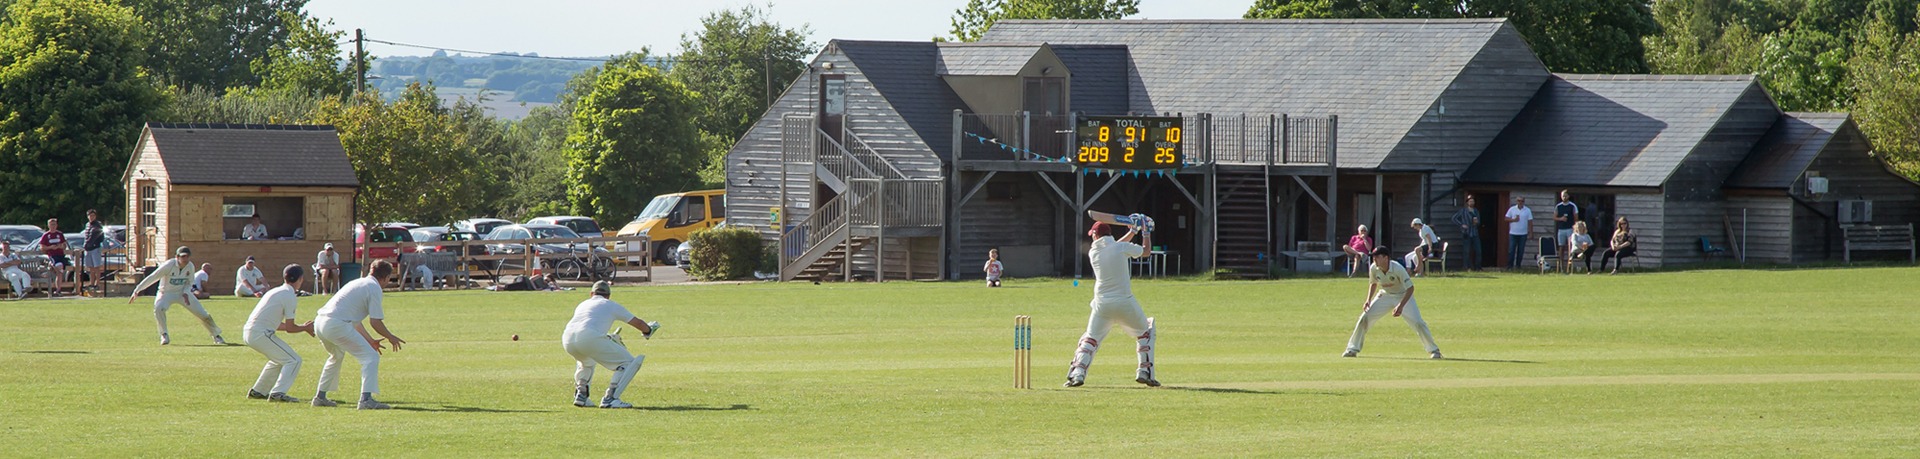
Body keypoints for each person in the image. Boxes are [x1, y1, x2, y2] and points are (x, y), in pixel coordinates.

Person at [1065, 214, 1159, 388]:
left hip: (1102, 306)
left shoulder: (1095, 251)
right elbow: (1145, 252)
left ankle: (1078, 373)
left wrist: (1132, 231)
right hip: (1125, 303)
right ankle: (1145, 372)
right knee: (1145, 332)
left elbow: (1114, 247)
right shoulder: (1120, 248)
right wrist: (1145, 233)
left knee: (1090, 339)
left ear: (1095, 235)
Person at [311, 260, 407, 410]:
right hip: (335, 324)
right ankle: (366, 400)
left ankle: (320, 397)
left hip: (320, 323)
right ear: (387, 277)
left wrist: (370, 340)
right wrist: (390, 336)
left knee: (336, 356)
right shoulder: (374, 288)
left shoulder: (358, 282)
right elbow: (375, 322)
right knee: (370, 357)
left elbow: (355, 322)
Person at [561, 280, 660, 409]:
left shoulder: (583, 304)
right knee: (628, 363)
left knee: (587, 361)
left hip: (567, 339)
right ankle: (610, 398)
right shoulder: (610, 304)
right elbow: (638, 323)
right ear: (608, 295)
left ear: (592, 293)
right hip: (589, 337)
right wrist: (648, 330)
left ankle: (581, 394)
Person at [1343, 246, 1442, 359]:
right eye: (1373, 257)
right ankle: (1352, 349)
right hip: (1385, 295)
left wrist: (1400, 306)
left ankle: (1434, 350)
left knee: (1418, 323)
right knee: (1364, 318)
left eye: (1377, 257)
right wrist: (1368, 300)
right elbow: (1373, 283)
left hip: (1403, 296)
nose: (1374, 259)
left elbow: (1410, 288)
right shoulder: (1374, 268)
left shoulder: (1398, 268)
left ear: (1386, 258)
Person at [244, 264, 316, 403]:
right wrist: (305, 328)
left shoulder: (275, 291)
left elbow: (275, 324)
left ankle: (258, 391)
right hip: (260, 333)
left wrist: (302, 327)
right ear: (300, 279)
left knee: (279, 360)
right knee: (294, 360)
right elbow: (290, 328)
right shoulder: (289, 295)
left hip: (251, 331)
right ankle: (278, 393)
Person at [129, 246, 226, 346]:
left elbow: (189, 282)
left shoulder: (190, 266)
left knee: (202, 314)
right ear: (177, 257)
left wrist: (185, 292)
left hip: (182, 294)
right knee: (159, 308)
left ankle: (216, 335)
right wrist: (138, 289)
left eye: (187, 257)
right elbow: (153, 277)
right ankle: (164, 334)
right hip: (165, 293)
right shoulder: (168, 265)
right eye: (183, 257)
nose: (185, 259)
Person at [38, 218, 69, 296]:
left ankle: (58, 290)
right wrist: (50, 247)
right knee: (59, 268)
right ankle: (51, 267)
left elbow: (64, 245)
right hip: (52, 255)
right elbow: (42, 247)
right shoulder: (46, 235)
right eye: (51, 224)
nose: (53, 226)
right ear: (48, 225)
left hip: (60, 255)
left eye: (54, 224)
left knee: (60, 272)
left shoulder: (60, 234)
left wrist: (60, 246)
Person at [1451, 196, 1482, 270]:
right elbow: (1454, 218)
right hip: (1466, 233)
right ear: (1467, 202)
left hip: (1475, 233)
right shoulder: (1463, 211)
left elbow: (1479, 222)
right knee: (1466, 251)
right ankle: (1466, 267)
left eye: (1473, 201)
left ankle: (1478, 267)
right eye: (1470, 201)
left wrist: (1476, 222)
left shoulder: (1476, 211)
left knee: (1478, 251)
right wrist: (1462, 225)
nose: (1472, 203)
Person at [81, 209, 107, 296]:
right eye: (90, 216)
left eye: (93, 216)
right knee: (90, 267)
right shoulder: (87, 225)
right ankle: (91, 283)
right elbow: (86, 236)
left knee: (97, 267)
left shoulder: (98, 225)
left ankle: (97, 283)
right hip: (88, 248)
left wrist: (95, 243)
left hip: (95, 248)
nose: (91, 217)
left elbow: (101, 236)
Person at [1505, 196, 1534, 269]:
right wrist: (1513, 220)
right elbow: (1506, 218)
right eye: (1519, 201)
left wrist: (1531, 233)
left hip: (1523, 234)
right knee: (1511, 250)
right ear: (1516, 201)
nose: (1520, 202)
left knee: (1520, 251)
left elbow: (1530, 222)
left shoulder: (1527, 210)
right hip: (1513, 233)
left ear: (1524, 202)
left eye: (1522, 201)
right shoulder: (1512, 209)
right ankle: (1509, 266)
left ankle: (1518, 265)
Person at [1553, 190, 1580, 262]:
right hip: (1561, 229)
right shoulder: (1558, 206)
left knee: (1570, 246)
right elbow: (1554, 217)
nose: (1564, 197)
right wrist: (1561, 218)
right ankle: (1561, 264)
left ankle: (1569, 263)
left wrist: (1575, 229)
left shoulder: (1572, 206)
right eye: (1562, 196)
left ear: (1568, 196)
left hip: (1570, 229)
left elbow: (1576, 218)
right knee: (1561, 246)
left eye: (1565, 196)